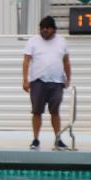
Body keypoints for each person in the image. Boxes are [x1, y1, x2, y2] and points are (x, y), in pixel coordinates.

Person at [22, 16, 71, 150]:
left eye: (47, 28)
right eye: (42, 28)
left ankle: (58, 139)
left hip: (56, 83)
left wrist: (68, 78)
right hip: (38, 82)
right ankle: (36, 139)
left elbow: (66, 61)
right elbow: (26, 61)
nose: (44, 30)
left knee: (55, 112)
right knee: (37, 112)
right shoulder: (33, 41)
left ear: (54, 29)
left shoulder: (62, 42)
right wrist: (25, 80)